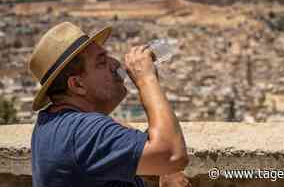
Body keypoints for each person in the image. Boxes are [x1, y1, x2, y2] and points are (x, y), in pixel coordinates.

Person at [29, 22, 190, 187]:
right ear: (77, 85)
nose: (115, 64)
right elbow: (172, 155)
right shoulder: (84, 133)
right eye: (101, 62)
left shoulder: (50, 124)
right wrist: (146, 79)